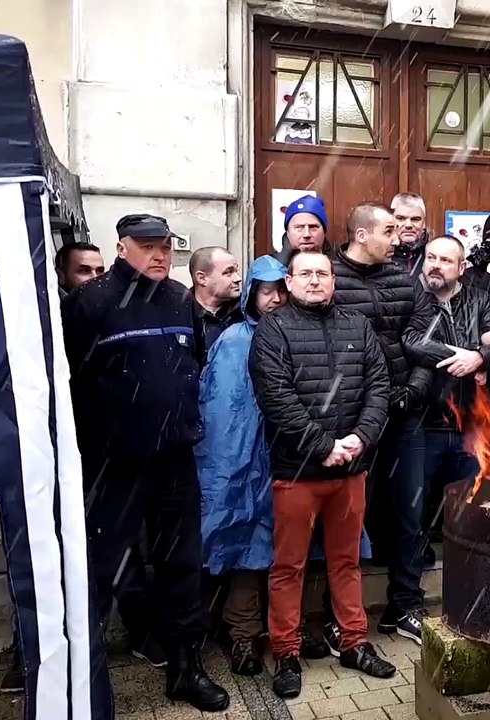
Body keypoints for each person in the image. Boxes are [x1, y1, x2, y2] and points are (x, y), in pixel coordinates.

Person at [62, 213, 229, 712]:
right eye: (148, 246)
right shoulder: (90, 303)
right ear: (121, 248)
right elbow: (68, 381)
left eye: (166, 246)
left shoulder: (180, 299)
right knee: (100, 569)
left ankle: (185, 668)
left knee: (182, 565)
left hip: (175, 459)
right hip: (115, 465)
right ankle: (83, 682)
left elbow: (193, 364)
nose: (160, 254)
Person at [250, 250, 398, 698]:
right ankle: (286, 653)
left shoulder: (358, 325)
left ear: (334, 280)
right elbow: (275, 397)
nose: (315, 280)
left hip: (351, 470)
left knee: (347, 562)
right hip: (297, 473)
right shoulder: (273, 329)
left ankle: (354, 642)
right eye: (305, 273)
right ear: (290, 282)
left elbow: (379, 386)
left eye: (322, 273)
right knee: (289, 566)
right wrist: (323, 446)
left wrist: (360, 438)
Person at [331, 203, 433, 645]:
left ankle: (405, 604)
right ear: (361, 235)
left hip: (404, 416)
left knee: (410, 513)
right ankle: (342, 617)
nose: (398, 239)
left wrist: (414, 389)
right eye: (388, 231)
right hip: (353, 422)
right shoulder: (330, 279)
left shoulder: (404, 281)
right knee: (349, 520)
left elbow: (427, 340)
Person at [196, 255, 286, 676]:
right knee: (247, 547)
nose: (275, 299)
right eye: (267, 292)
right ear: (252, 295)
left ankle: (290, 633)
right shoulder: (234, 341)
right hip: (245, 462)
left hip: (289, 460)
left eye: (281, 291)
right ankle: (242, 635)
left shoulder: (298, 333)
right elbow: (221, 410)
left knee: (288, 549)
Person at [404, 235, 490, 551]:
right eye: (431, 258)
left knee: (470, 506)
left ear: (462, 267)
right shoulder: (413, 298)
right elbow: (410, 342)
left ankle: (467, 570)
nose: (436, 266)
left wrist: (480, 357)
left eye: (446, 260)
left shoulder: (480, 300)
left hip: (471, 424)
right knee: (414, 511)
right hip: (426, 421)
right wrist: (465, 353)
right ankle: (413, 576)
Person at [189, 246, 244, 351]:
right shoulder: (181, 313)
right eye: (228, 272)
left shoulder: (246, 310)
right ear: (202, 278)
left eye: (236, 271)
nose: (238, 278)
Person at [273, 194, 330, 265]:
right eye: (299, 227)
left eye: (313, 227)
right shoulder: (268, 268)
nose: (307, 234)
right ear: (288, 232)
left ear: (324, 232)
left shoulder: (338, 268)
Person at [391, 192, 429, 279]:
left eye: (415, 219)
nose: (408, 225)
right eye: (400, 218)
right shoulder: (379, 256)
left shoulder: (434, 257)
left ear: (424, 223)